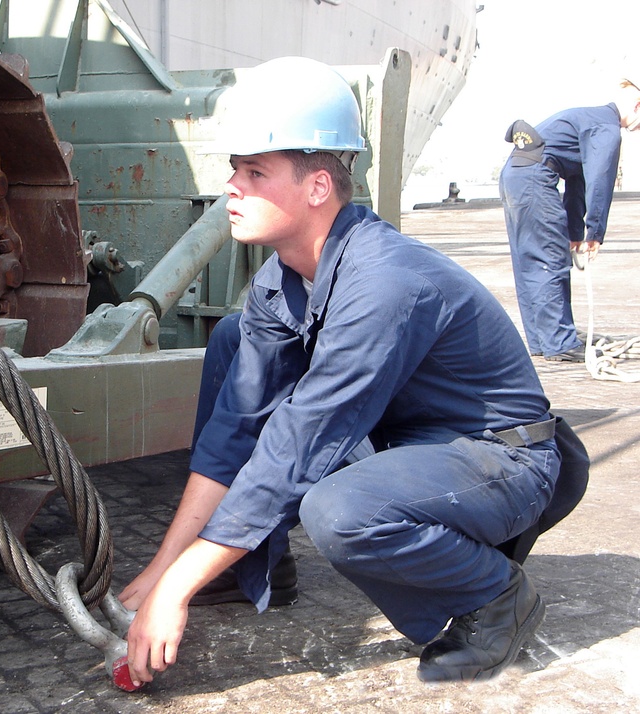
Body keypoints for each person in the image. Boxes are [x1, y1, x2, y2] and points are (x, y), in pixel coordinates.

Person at [119, 56, 562, 686]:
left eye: (255, 173)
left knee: (340, 508)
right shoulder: (281, 280)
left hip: (500, 462)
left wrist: (176, 588)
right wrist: (170, 571)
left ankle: (494, 599)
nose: (232, 189)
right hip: (405, 443)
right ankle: (254, 569)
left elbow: (300, 443)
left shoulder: (384, 282)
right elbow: (235, 436)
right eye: (234, 171)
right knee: (230, 344)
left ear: (318, 187)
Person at [498, 80, 640, 362]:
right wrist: (595, 233)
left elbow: (578, 179)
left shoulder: (590, 118)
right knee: (550, 259)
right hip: (536, 178)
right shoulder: (608, 130)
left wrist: (576, 231)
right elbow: (600, 181)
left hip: (514, 174)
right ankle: (559, 342)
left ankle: (541, 340)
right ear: (638, 106)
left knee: (529, 260)